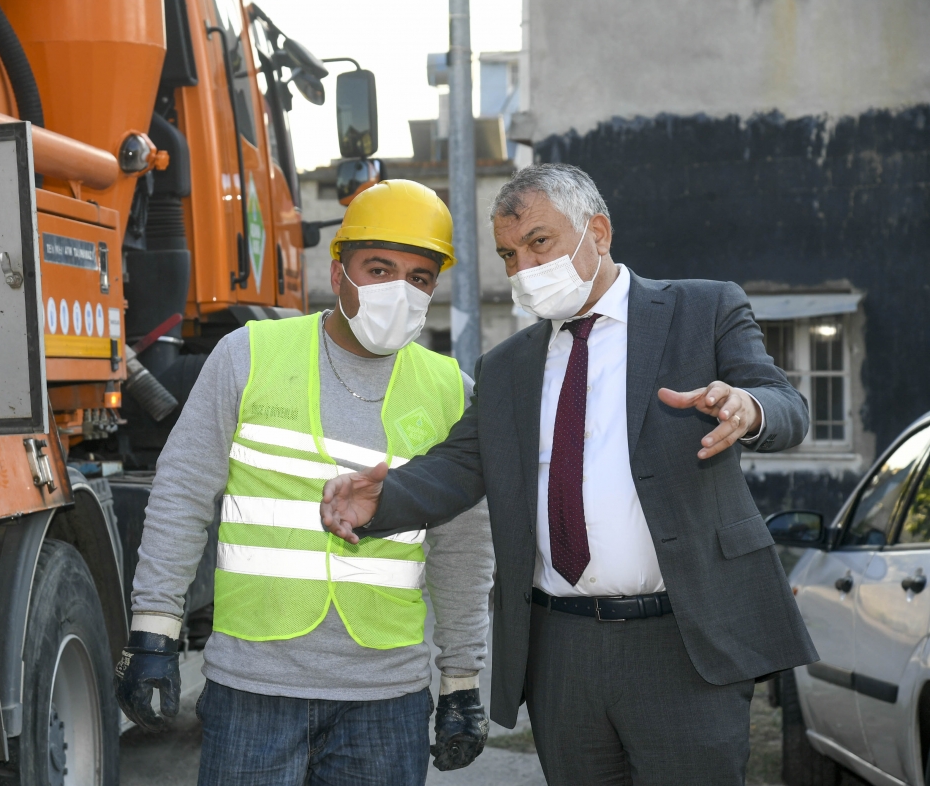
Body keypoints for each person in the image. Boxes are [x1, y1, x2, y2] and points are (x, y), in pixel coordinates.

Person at [320, 164, 819, 786]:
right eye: (508, 254)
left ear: (598, 232)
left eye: (539, 242)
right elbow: (462, 462)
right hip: (561, 651)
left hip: (684, 641)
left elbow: (786, 405)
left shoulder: (702, 308)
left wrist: (749, 408)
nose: (524, 267)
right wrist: (384, 498)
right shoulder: (507, 366)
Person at [114, 180, 494, 785]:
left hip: (385, 699)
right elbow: (182, 492)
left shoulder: (452, 391)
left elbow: (465, 547)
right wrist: (153, 630)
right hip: (253, 690)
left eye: (419, 278)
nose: (399, 291)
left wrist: (461, 679)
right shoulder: (249, 355)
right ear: (338, 270)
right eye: (379, 269)